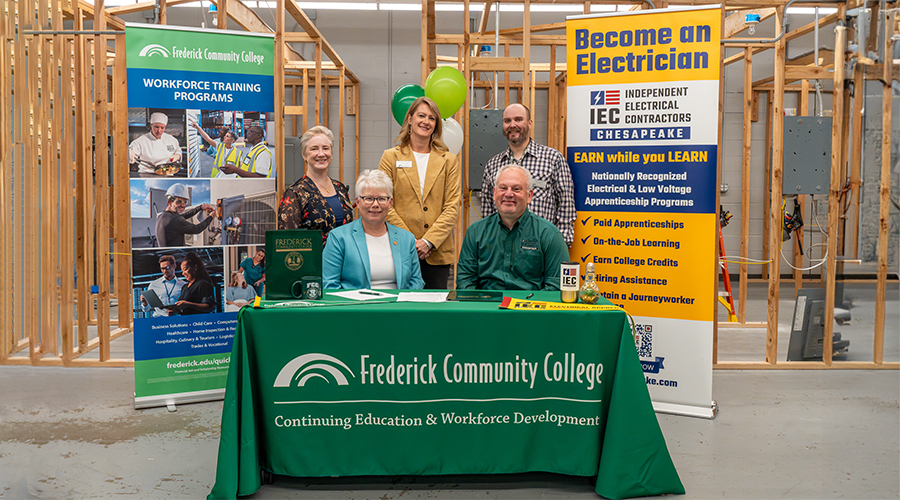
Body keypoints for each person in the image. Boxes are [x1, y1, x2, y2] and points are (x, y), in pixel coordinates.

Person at [378, 96, 460, 289]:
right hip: (399, 249)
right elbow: (384, 203)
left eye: (432, 118)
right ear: (410, 119)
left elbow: (451, 207)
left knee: (434, 314)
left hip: (437, 253)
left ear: (436, 125)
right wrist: (411, 241)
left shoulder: (449, 160)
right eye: (421, 115)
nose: (426, 121)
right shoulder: (390, 157)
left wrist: (428, 242)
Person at [457, 165, 570, 291]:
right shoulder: (475, 232)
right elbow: (465, 282)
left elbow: (556, 286)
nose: (509, 194)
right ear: (494, 193)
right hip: (486, 307)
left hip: (530, 307)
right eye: (503, 188)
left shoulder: (549, 235)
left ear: (529, 196)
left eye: (516, 189)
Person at [481, 103, 576, 247]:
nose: (512, 125)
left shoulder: (553, 159)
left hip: (542, 249)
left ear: (530, 123)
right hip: (501, 250)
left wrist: (559, 247)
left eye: (518, 119)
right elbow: (487, 213)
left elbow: (566, 207)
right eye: (507, 121)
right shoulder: (492, 165)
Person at [323, 170, 425, 290]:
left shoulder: (406, 238)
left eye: (382, 199)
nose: (375, 204)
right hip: (357, 307)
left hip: (398, 307)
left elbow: (416, 281)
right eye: (369, 198)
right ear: (358, 202)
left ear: (390, 203)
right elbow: (329, 284)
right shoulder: (339, 238)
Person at [277, 126, 353, 242]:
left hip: (344, 259)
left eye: (325, 148)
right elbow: (288, 242)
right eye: (314, 149)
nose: (321, 154)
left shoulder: (340, 188)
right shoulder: (295, 194)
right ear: (304, 155)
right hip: (314, 259)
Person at [155, 183, 216, 248]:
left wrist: (200, 207)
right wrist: (211, 217)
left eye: (185, 202)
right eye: (179, 202)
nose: (183, 205)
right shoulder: (175, 220)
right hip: (175, 254)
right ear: (170, 202)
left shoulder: (161, 216)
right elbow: (197, 229)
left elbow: (184, 216)